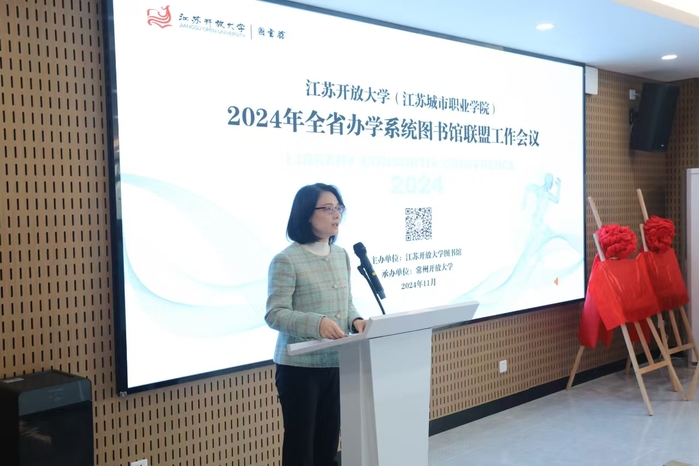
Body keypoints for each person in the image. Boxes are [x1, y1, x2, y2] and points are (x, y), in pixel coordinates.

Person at [265, 182, 365, 466]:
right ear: (307, 214)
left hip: (336, 363)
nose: (336, 214)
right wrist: (316, 323)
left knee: (327, 446)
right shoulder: (287, 259)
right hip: (299, 370)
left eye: (339, 208)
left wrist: (355, 320)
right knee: (301, 450)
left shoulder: (341, 255)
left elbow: (346, 303)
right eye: (328, 208)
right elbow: (275, 313)